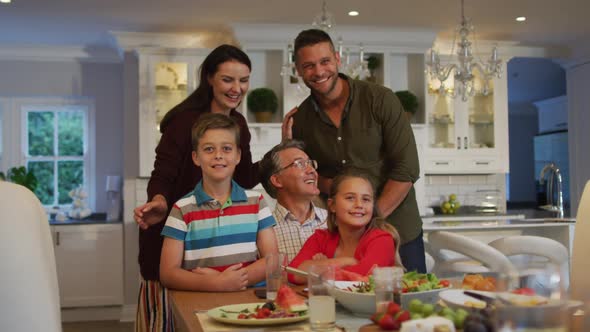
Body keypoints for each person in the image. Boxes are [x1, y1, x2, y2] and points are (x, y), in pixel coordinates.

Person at [133, 44, 259, 332]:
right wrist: (160, 201)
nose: (237, 88)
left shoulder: (238, 122)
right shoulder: (183, 122)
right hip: (175, 235)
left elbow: (247, 177)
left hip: (212, 239)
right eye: (228, 79)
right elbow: (163, 173)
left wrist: (282, 151)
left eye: (244, 80)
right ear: (210, 79)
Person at [283, 29, 426, 273]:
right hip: (344, 242)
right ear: (298, 70)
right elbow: (309, 180)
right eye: (308, 65)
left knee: (408, 308)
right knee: (344, 308)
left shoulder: (380, 99)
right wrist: (286, 147)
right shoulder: (302, 120)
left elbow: (407, 168)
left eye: (325, 61)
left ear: (337, 59)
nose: (319, 72)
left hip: (400, 230)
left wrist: (371, 217)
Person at [159, 113, 277, 292]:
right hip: (199, 306)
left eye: (227, 149)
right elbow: (168, 274)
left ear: (238, 156)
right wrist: (216, 283)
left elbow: (272, 260)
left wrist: (234, 280)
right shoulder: (181, 209)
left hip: (247, 303)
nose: (218, 155)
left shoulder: (257, 202)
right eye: (208, 149)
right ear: (195, 157)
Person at [288, 169, 402, 285]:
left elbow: (362, 277)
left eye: (366, 199)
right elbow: (293, 273)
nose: (359, 205)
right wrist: (346, 261)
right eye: (350, 198)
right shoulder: (320, 238)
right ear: (332, 205)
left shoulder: (382, 240)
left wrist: (321, 267)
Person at [258, 139, 327, 262]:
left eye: (311, 164)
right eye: (300, 164)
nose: (312, 170)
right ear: (277, 180)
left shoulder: (334, 221)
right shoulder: (264, 230)